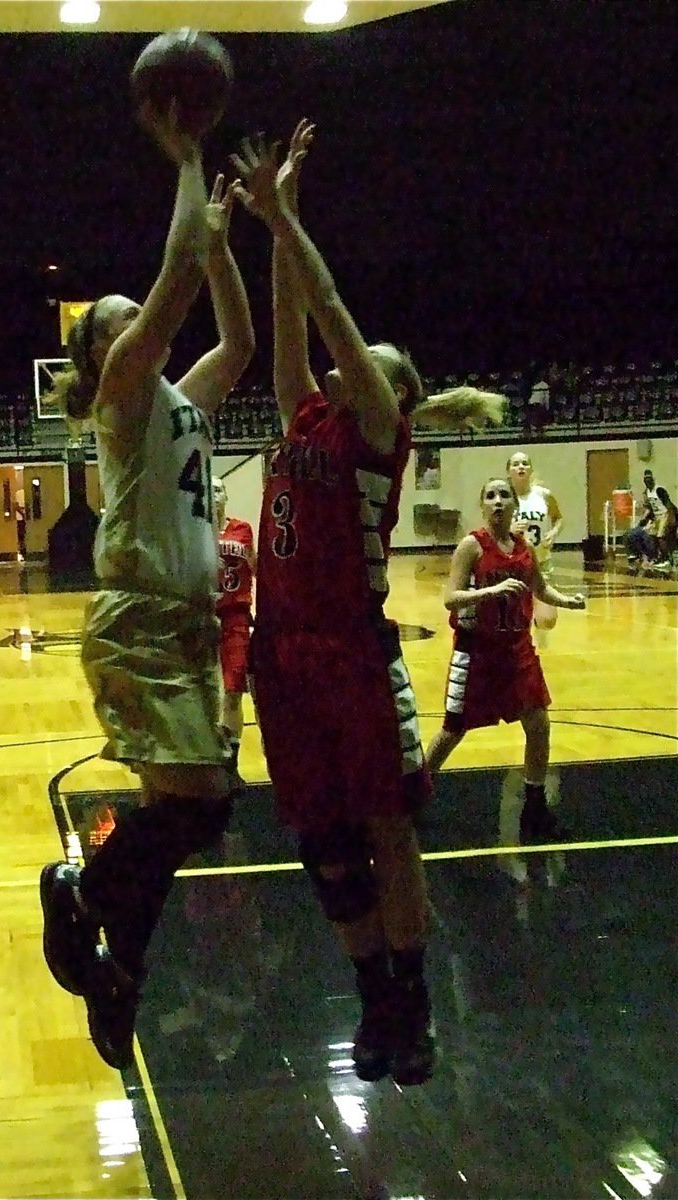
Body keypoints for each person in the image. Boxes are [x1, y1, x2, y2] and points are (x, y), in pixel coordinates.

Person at [231, 122, 507, 1086]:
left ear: (390, 389)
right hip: (281, 658)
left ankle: (415, 994)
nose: (350, 365)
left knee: (389, 828)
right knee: (319, 837)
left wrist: (286, 215)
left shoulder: (379, 436)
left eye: (368, 361)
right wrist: (276, 228)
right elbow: (291, 332)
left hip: (352, 652)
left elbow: (332, 305)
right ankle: (374, 995)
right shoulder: (304, 412)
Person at [37, 103, 255, 1071]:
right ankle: (76, 893)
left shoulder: (178, 402)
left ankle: (118, 964)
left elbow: (239, 342)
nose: (136, 315)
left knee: (185, 817)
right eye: (118, 318)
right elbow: (170, 291)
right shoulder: (126, 386)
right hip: (136, 623)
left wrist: (220, 248)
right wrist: (189, 163)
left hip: (187, 628)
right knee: (199, 806)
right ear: (99, 353)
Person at [425, 476, 586, 844]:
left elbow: (539, 588)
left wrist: (567, 602)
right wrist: (490, 590)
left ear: (514, 504)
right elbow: (450, 598)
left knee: (539, 723)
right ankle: (413, 795)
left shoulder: (524, 548)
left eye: (504, 496)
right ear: (482, 505)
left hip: (517, 649)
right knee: (453, 729)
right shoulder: (472, 547)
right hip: (477, 651)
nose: (498, 501)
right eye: (490, 495)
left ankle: (534, 806)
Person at [212, 475, 256, 772]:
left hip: (235, 616)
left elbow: (254, 565)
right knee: (199, 692)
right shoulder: (195, 530)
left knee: (232, 691)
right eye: (209, 489)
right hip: (202, 614)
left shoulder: (243, 529)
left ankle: (231, 763)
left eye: (219, 489)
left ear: (226, 495)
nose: (214, 494)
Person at [506, 451, 563, 647]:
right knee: (514, 620)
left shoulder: (543, 495)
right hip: (512, 564)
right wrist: (509, 530)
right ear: (508, 471)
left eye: (524, 463)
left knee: (548, 621)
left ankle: (538, 633)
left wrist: (554, 533)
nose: (520, 467)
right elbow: (488, 528)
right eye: (515, 464)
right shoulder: (503, 497)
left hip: (541, 562)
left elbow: (558, 518)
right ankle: (526, 650)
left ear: (530, 469)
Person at [626, 469, 666, 568]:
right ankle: (637, 555)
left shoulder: (659, 490)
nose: (647, 482)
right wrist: (642, 520)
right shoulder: (646, 492)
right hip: (654, 518)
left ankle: (662, 558)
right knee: (631, 534)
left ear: (653, 479)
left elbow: (668, 506)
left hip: (663, 516)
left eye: (649, 479)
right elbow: (648, 508)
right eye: (645, 480)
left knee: (658, 536)